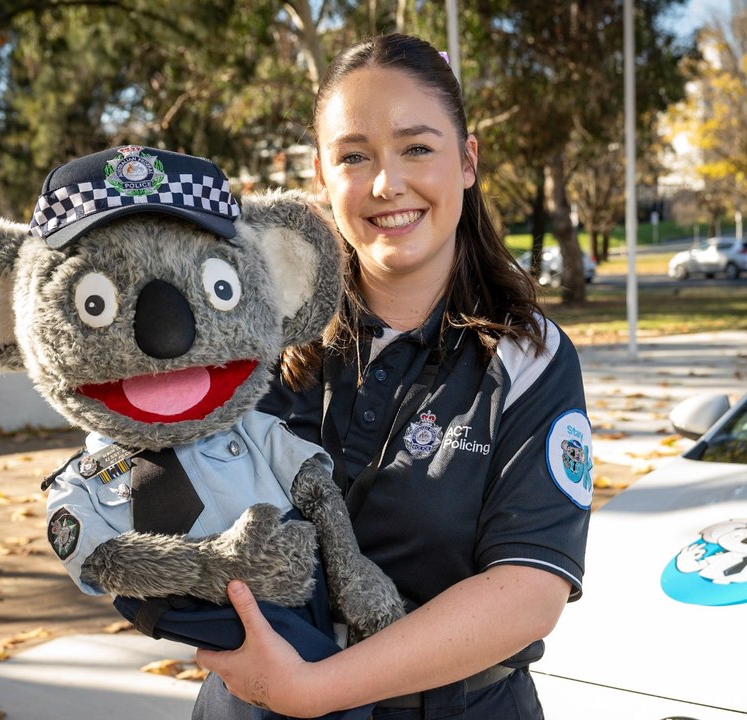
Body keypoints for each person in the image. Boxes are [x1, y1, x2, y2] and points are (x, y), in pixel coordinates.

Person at [195, 32, 593, 719]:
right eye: (355, 156)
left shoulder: (528, 358)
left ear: (467, 161)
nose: (387, 184)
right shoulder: (256, 342)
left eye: (417, 147)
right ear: (321, 176)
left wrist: (318, 689)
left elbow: (529, 594)